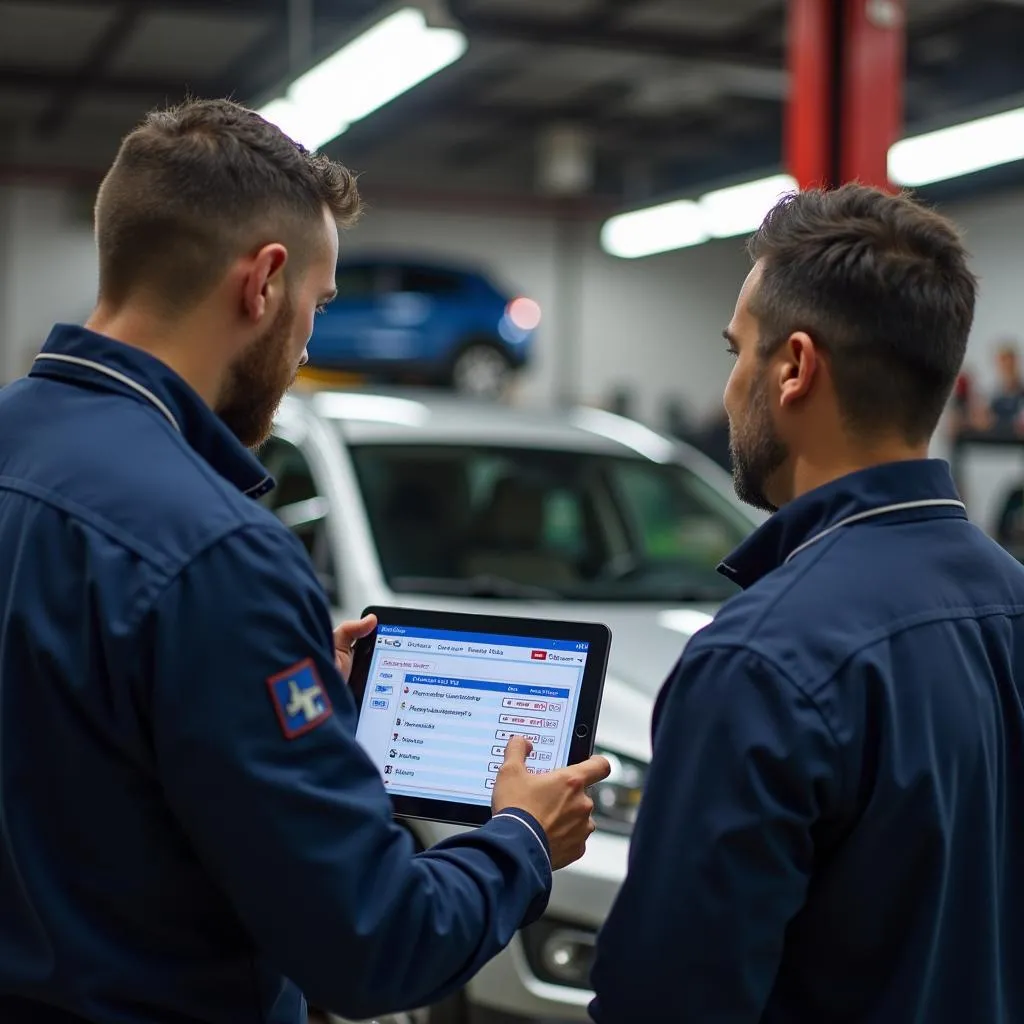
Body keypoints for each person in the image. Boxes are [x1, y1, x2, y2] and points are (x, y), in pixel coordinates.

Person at [0, 98, 610, 1024]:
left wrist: (237, 682)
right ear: (265, 283)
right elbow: (373, 945)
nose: (307, 346)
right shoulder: (217, 553)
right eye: (318, 307)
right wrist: (522, 836)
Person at [590, 183, 1022, 1023]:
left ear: (793, 368)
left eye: (735, 353)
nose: (727, 391)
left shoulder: (761, 661)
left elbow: (670, 1000)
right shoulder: (1012, 601)